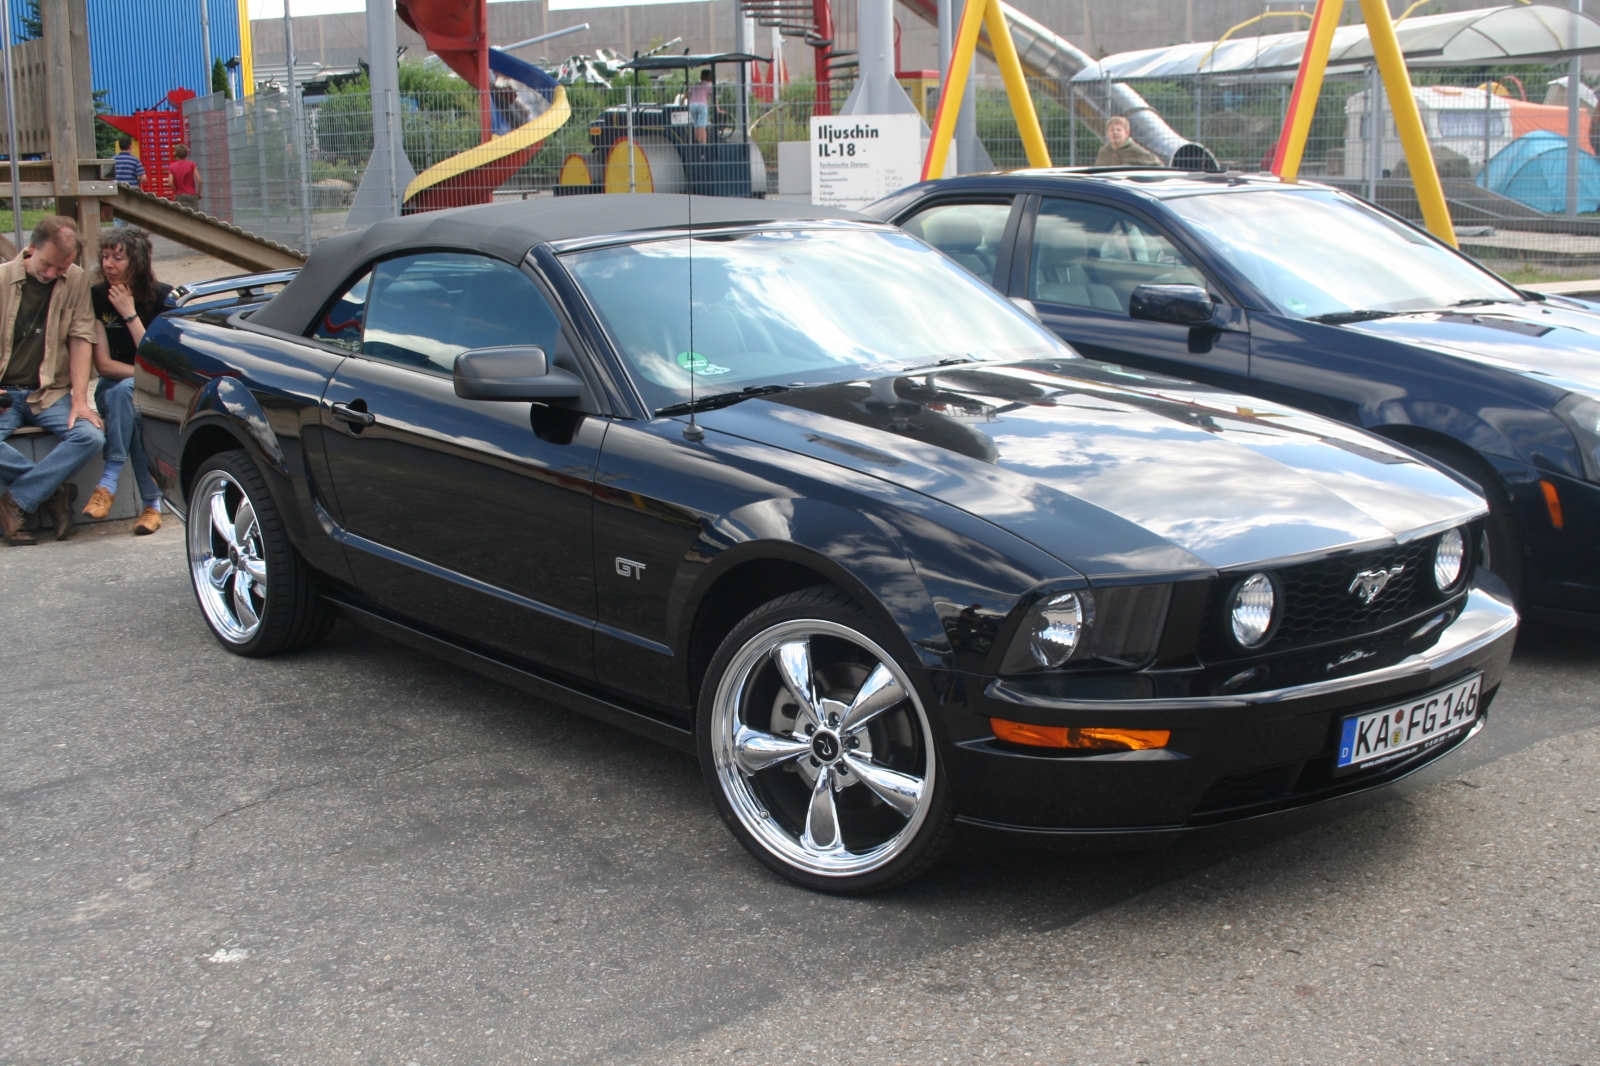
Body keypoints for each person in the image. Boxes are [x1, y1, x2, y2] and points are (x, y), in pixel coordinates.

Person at [0, 216, 105, 545]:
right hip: (6, 393)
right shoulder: (2, 279)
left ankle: (15, 500)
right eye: (46, 265)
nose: (51, 275)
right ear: (31, 249)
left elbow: (80, 338)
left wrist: (79, 400)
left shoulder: (75, 281)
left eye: (61, 269)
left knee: (91, 436)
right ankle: (52, 490)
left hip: (49, 393)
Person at [82, 226, 168, 535]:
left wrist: (129, 315)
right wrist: (140, 375)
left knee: (127, 398)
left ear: (137, 262)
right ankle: (152, 507)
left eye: (118, 257)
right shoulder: (96, 296)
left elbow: (156, 360)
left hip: (151, 389)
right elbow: (103, 365)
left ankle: (109, 480)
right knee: (123, 397)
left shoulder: (162, 297)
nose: (109, 264)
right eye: (105, 256)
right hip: (115, 388)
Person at [1095, 116, 1161, 167]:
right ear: (1107, 133)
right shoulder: (1103, 151)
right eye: (1112, 130)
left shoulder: (1135, 150)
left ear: (1127, 133)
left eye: (1119, 130)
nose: (1115, 132)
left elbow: (1157, 165)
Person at [169, 143, 201, 211]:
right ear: (186, 154)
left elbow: (170, 183)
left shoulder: (172, 166)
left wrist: (176, 191)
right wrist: (198, 193)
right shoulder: (192, 164)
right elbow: (199, 180)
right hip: (192, 195)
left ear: (176, 154)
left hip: (180, 195)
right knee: (195, 216)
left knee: (182, 216)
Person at [687, 69, 714, 145]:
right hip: (702, 105)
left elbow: (687, 94)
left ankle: (698, 142)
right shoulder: (708, 86)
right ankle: (704, 145)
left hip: (692, 106)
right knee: (702, 126)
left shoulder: (695, 85)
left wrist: (681, 102)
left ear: (701, 77)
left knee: (696, 125)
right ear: (710, 79)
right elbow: (714, 97)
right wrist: (718, 108)